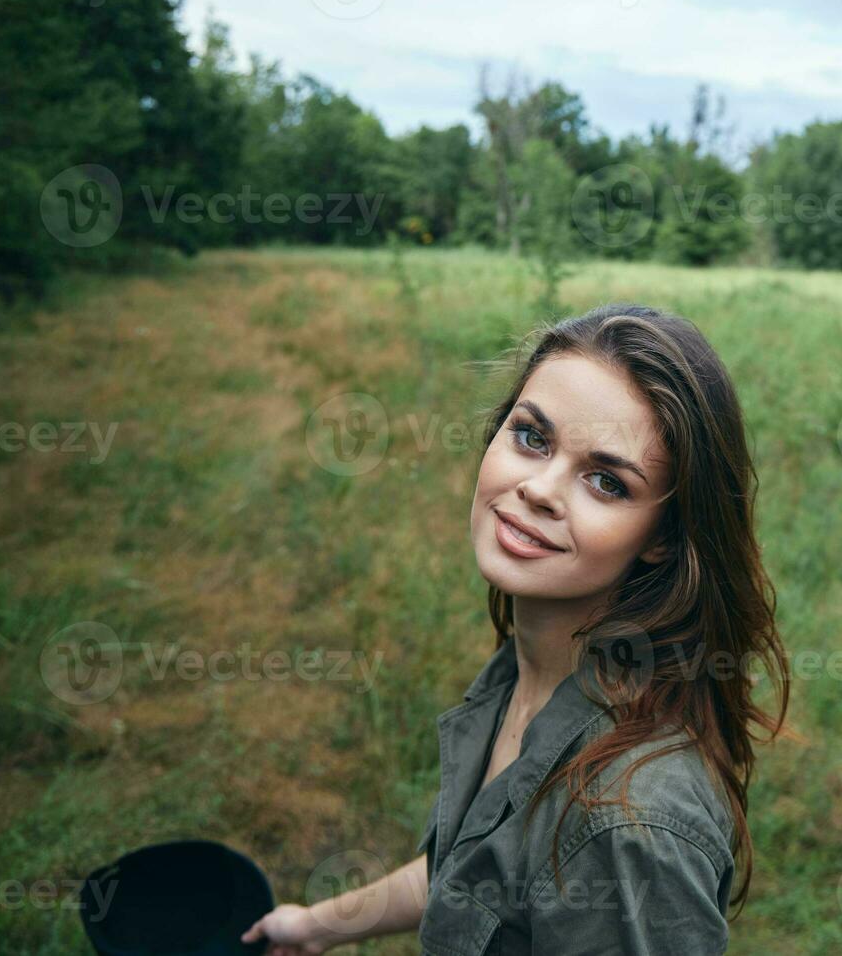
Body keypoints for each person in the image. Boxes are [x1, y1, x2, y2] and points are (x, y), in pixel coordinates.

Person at [241, 303, 792, 954]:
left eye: (606, 481)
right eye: (533, 437)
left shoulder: (627, 825)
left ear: (664, 541)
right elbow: (478, 872)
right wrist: (319, 926)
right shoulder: (539, 666)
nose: (540, 489)